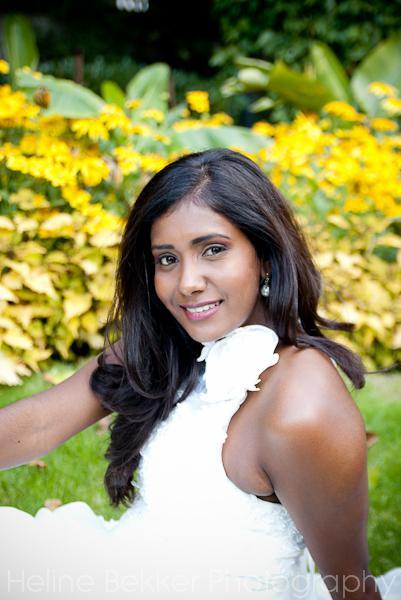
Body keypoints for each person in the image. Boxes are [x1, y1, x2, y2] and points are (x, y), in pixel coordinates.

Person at [0, 148, 400, 600]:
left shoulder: (303, 404)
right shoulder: (166, 345)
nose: (187, 282)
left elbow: (351, 587)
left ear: (264, 256)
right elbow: (38, 424)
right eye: (167, 259)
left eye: (213, 250)